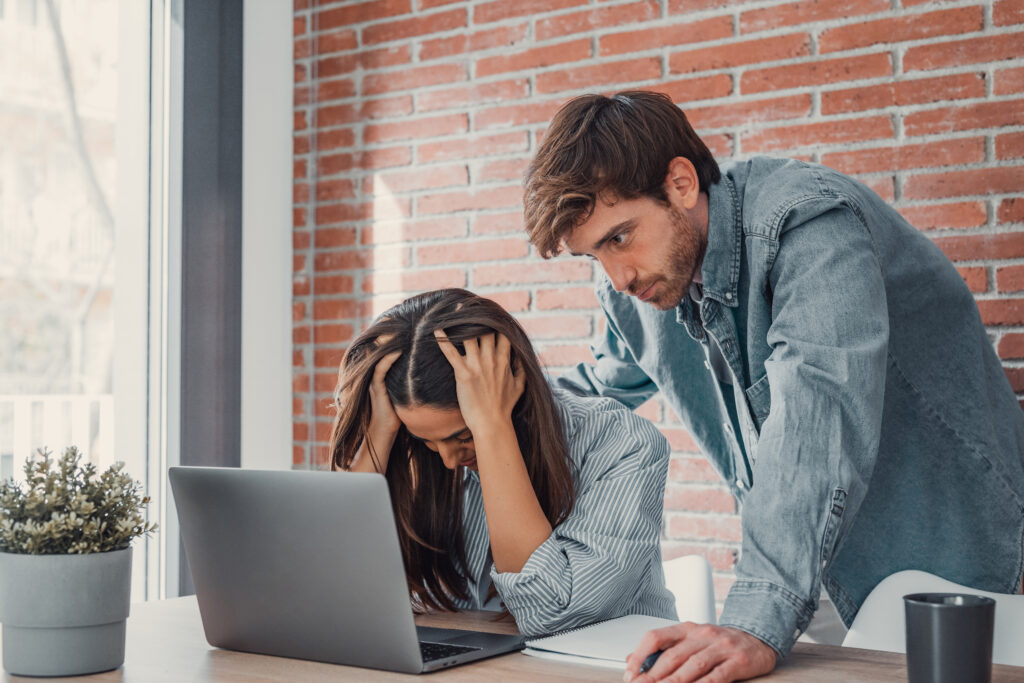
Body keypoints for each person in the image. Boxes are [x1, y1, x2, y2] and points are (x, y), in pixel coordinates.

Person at [523, 90, 1024, 681]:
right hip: (816, 582)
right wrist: (491, 405)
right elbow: (600, 388)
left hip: (955, 577)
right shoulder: (639, 287)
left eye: (619, 237)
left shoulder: (809, 223)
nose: (619, 276)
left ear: (681, 183)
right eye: (593, 256)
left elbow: (819, 419)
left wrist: (757, 616)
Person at [329, 288, 676, 636]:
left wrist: (492, 427)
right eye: (428, 442)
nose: (449, 460)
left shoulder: (622, 444)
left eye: (462, 436)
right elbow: (336, 598)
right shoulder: (416, 455)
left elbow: (549, 613)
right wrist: (378, 439)